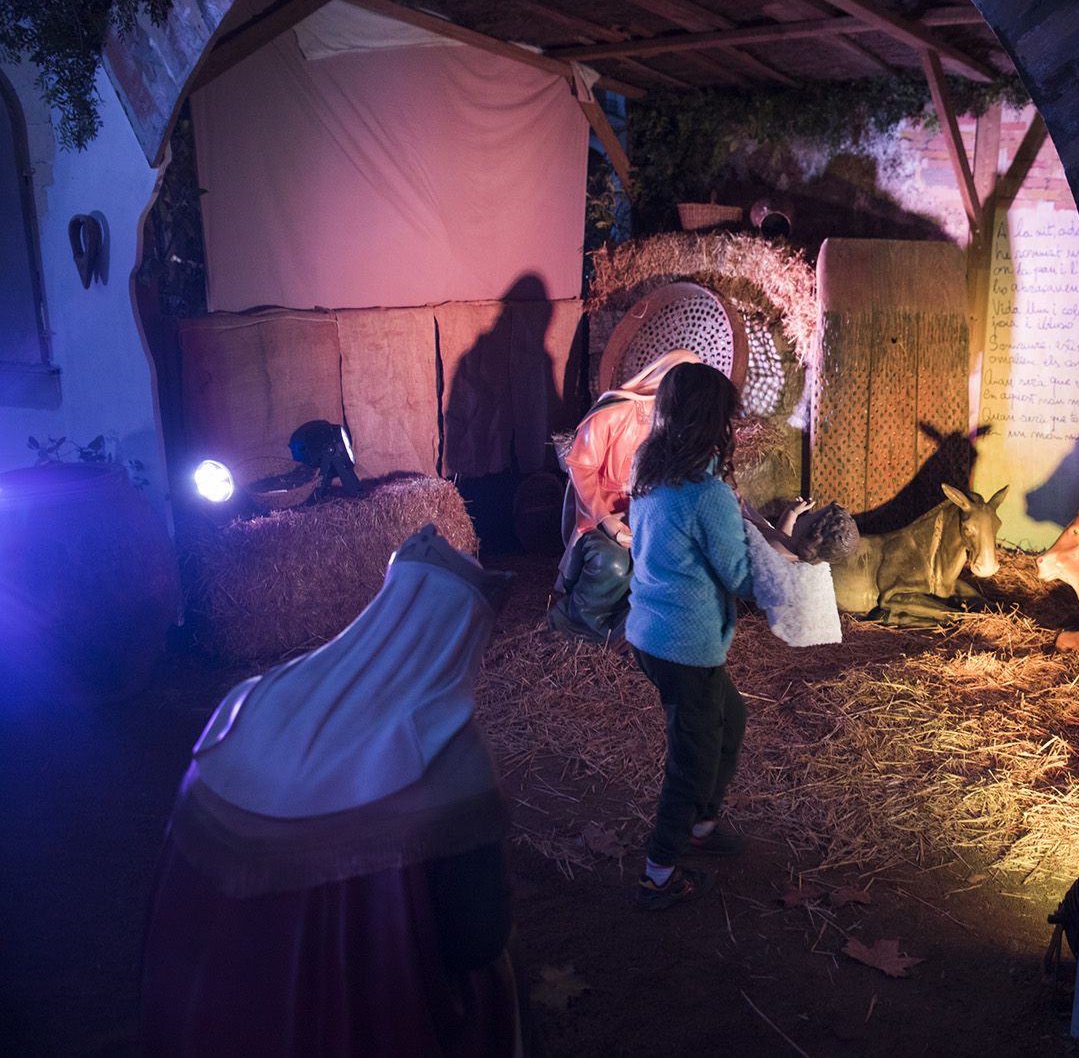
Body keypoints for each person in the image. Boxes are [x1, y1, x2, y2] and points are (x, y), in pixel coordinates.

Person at [140, 525, 532, 1057]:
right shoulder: (448, 753)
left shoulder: (250, 699)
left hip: (218, 994)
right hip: (362, 1015)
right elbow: (479, 936)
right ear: (459, 643)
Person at [625, 362, 755, 911]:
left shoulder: (649, 469)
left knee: (730, 720)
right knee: (692, 760)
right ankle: (657, 875)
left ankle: (702, 826)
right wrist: (792, 564)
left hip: (649, 634)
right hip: (686, 646)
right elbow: (740, 575)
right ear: (713, 424)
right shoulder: (707, 495)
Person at [549, 349, 701, 647]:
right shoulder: (613, 413)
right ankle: (575, 619)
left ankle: (629, 629)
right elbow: (582, 468)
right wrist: (606, 519)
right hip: (600, 513)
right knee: (614, 564)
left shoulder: (676, 425)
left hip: (647, 516)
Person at [742, 498, 860, 647]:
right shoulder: (793, 552)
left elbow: (759, 533)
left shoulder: (776, 550)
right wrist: (792, 513)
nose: (807, 516)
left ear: (812, 531)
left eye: (811, 517)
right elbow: (784, 535)